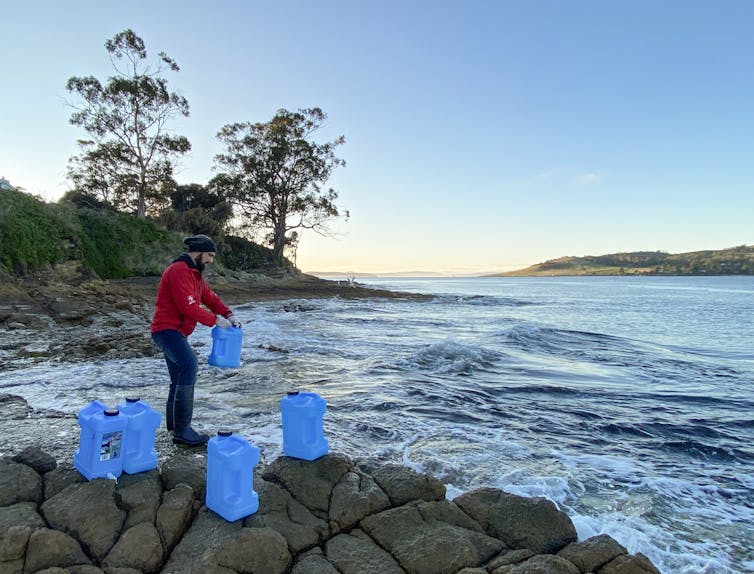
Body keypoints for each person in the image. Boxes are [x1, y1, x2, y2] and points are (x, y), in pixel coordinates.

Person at [150, 234, 242, 446]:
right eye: (209, 255)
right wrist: (215, 320)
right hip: (167, 331)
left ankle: (174, 427)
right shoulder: (179, 271)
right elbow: (188, 307)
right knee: (189, 365)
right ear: (198, 251)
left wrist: (228, 314)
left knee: (179, 376)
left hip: (175, 332)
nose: (210, 260)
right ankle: (183, 431)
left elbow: (208, 297)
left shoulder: (194, 274)